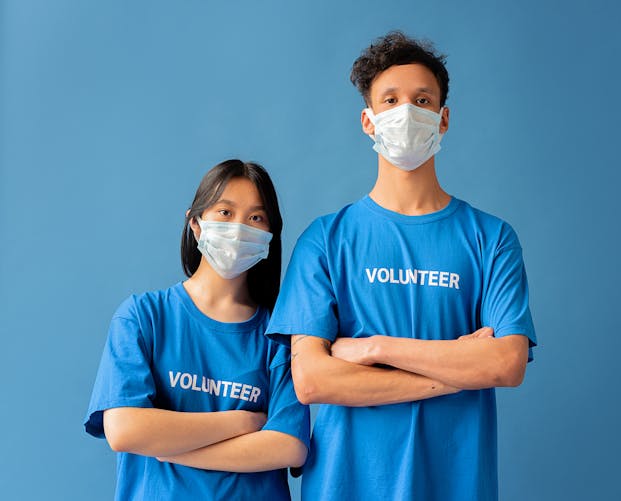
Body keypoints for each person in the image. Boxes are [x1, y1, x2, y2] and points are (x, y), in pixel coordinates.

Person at [266, 32, 537, 500]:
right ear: (368, 121)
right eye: (390, 101)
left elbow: (507, 364)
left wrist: (373, 349)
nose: (406, 113)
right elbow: (312, 380)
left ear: (443, 118)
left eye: (422, 99)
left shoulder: (491, 239)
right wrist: (457, 369)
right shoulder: (326, 240)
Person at [85, 159, 309, 501]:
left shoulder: (277, 336)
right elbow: (125, 429)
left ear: (268, 237)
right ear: (196, 223)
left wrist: (173, 448)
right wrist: (244, 423)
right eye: (225, 212)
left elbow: (288, 446)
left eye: (255, 218)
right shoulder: (144, 317)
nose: (238, 229)